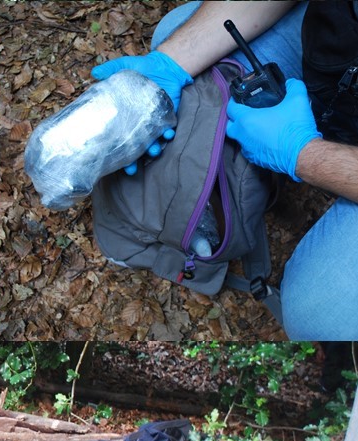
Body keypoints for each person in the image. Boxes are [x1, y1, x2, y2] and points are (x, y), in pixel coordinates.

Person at [91, 1, 358, 341]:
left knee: (320, 316)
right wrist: (170, 62)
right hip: (340, 48)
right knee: (181, 36)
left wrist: (306, 155)